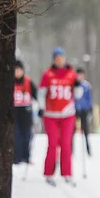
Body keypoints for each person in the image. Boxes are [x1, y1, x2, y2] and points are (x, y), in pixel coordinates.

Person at [38, 47, 79, 185]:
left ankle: (67, 173)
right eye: (57, 58)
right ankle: (49, 173)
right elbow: (42, 93)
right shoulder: (47, 74)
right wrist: (41, 107)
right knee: (53, 143)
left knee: (66, 144)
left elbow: (78, 94)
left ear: (65, 58)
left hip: (68, 113)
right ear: (54, 59)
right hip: (50, 114)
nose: (59, 60)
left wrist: (78, 86)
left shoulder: (72, 74)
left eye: (61, 57)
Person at [12, 60, 37, 165]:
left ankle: (26, 156)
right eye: (15, 70)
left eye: (19, 70)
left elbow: (37, 95)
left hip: (26, 111)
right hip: (14, 111)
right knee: (16, 135)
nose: (17, 72)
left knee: (27, 135)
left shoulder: (28, 82)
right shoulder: (10, 82)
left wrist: (40, 108)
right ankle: (16, 157)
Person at [74, 66, 94, 156]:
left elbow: (89, 98)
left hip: (84, 110)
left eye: (81, 75)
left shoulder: (87, 86)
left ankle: (88, 150)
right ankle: (70, 150)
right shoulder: (73, 84)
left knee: (85, 129)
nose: (80, 76)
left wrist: (90, 108)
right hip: (74, 110)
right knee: (71, 131)